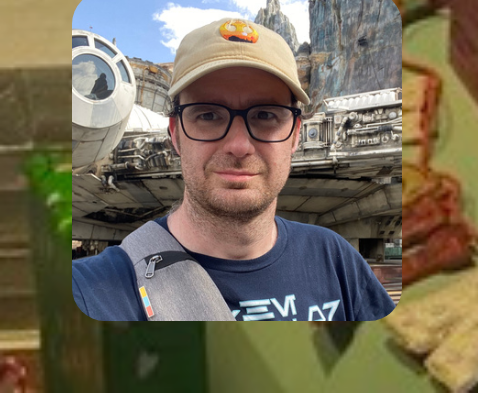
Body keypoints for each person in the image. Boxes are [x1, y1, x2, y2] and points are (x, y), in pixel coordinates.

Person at [72, 17, 397, 321]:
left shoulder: (338, 262)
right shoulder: (89, 293)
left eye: (266, 115)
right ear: (175, 134)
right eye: (208, 115)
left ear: (296, 134)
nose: (239, 146)